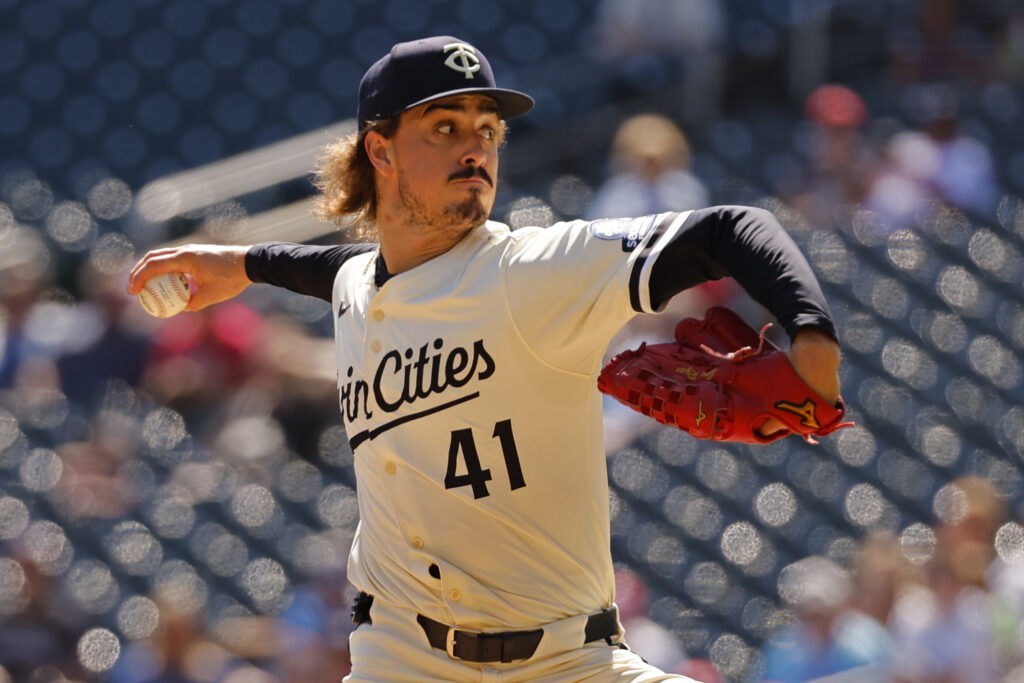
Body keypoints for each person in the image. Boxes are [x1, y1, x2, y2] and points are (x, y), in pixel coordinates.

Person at [128, 36, 842, 682]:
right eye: (446, 128)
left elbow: (732, 228)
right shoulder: (355, 285)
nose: (476, 149)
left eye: (488, 131)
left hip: (567, 661)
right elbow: (338, 269)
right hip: (400, 661)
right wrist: (241, 264)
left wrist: (810, 334)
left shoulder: (534, 269)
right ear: (380, 151)